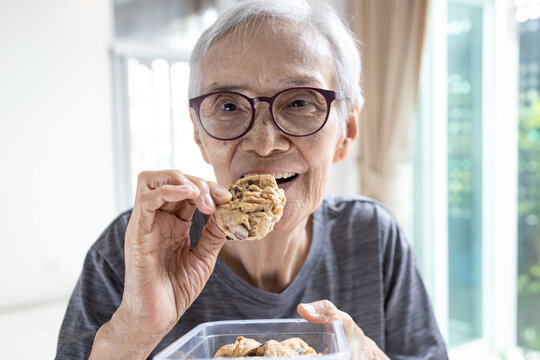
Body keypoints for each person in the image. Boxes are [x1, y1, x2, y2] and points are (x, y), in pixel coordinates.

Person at [56, 0, 448, 359]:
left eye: (299, 102)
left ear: (346, 130)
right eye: (228, 105)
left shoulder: (371, 236)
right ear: (199, 135)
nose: (263, 144)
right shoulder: (136, 249)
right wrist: (134, 332)